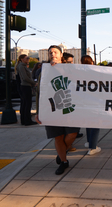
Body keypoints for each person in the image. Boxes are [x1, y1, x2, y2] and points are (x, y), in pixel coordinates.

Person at [35, 45, 80, 175]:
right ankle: (64, 161)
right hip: (52, 108)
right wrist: (38, 111)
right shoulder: (43, 71)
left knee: (73, 133)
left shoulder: (70, 69)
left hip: (69, 107)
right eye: (50, 53)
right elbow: (39, 92)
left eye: (55, 52)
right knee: (58, 136)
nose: (52, 54)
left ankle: (62, 152)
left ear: (61, 55)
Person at [80, 55, 101, 155]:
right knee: (95, 124)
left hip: (85, 102)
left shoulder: (80, 72)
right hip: (95, 101)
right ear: (91, 62)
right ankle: (92, 147)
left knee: (88, 123)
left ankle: (89, 142)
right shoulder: (96, 72)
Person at [17, 54, 38, 126]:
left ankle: (24, 120)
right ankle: (27, 120)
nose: (28, 59)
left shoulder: (22, 66)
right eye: (27, 58)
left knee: (25, 104)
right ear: (22, 59)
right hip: (25, 86)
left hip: (25, 86)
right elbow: (25, 77)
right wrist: (33, 83)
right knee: (27, 104)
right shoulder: (21, 66)